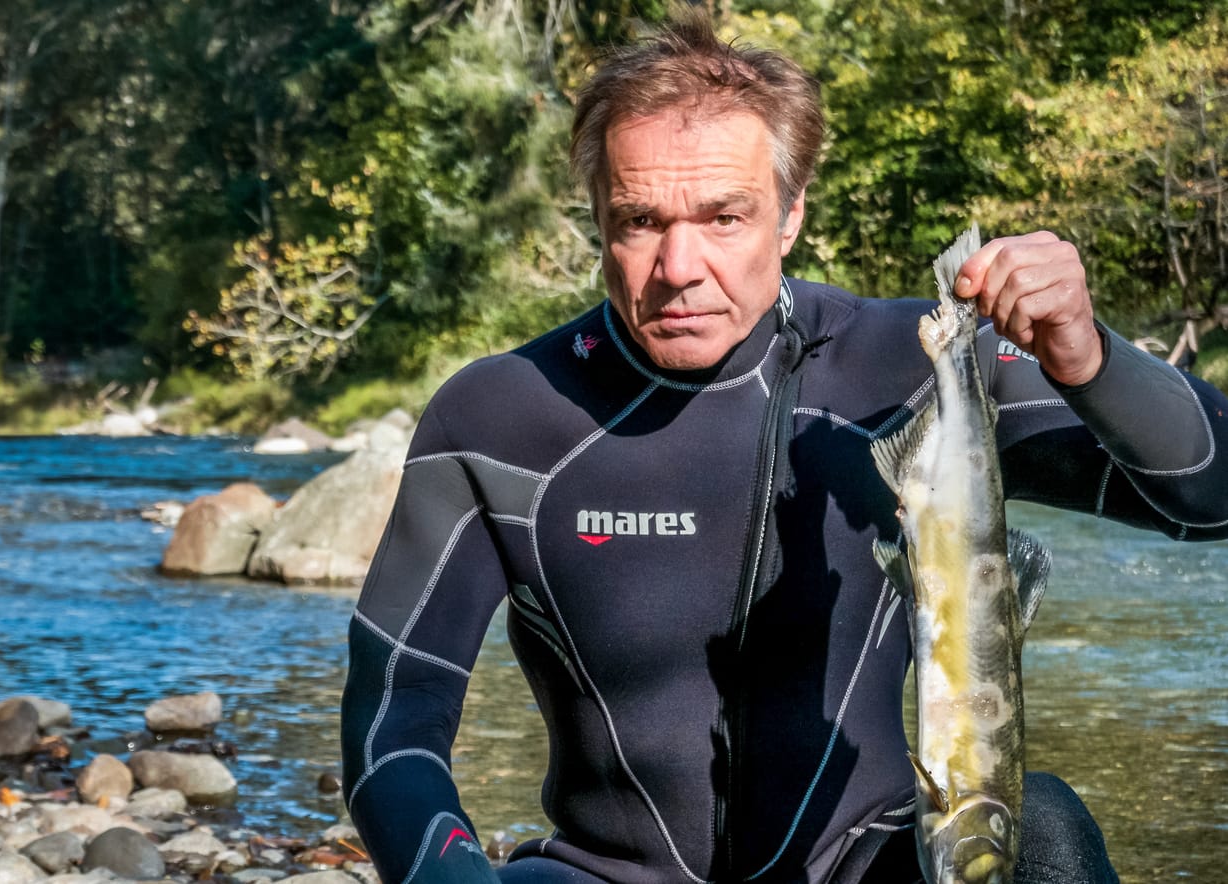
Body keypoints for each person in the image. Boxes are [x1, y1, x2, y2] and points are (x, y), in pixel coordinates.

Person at [340, 14, 1228, 884]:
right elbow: (397, 716)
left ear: (791, 213)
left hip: (868, 864)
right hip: (601, 875)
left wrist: (1091, 358)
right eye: (640, 220)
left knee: (1042, 835)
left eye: (724, 218)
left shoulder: (913, 366)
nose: (680, 265)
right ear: (599, 216)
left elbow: (1212, 497)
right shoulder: (501, 417)